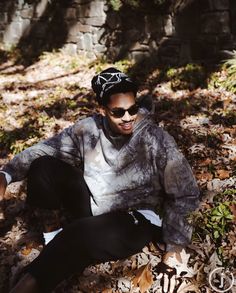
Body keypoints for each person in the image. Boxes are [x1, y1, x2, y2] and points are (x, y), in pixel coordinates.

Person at [0, 67, 200, 293]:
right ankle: (53, 240)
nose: (127, 118)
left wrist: (173, 248)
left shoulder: (155, 139)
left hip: (133, 218)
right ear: (102, 110)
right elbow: (45, 149)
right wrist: (6, 175)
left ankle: (29, 283)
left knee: (77, 235)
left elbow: (185, 193)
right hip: (94, 207)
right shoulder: (88, 129)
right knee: (43, 166)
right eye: (118, 112)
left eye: (132, 109)